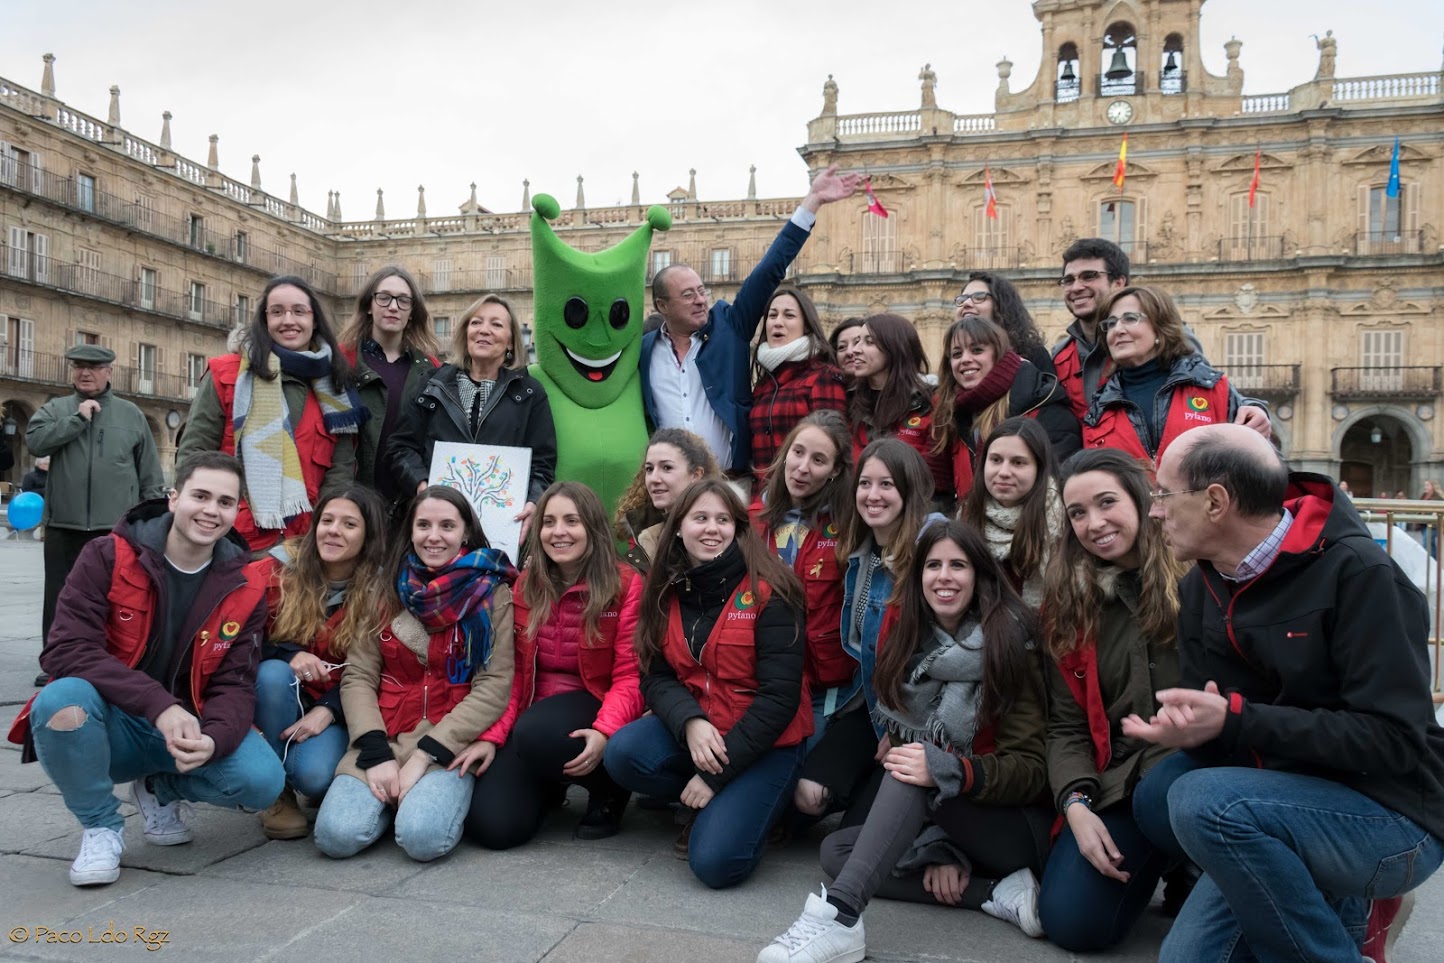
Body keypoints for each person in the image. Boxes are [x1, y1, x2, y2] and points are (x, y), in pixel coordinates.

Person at [1122, 424, 1444, 963]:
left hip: (1391, 814)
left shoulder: (1362, 575)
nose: (1153, 511)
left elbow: (1394, 742)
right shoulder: (1198, 584)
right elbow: (1229, 734)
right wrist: (1196, 731)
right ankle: (1332, 902)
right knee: (1160, 795)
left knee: (1199, 801)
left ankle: (1343, 927)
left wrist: (1235, 721)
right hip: (1284, 792)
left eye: (1162, 494)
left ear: (1216, 501)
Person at [761, 521, 1052, 963]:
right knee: (837, 851)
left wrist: (954, 770)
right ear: (917, 578)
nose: (944, 577)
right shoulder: (911, 644)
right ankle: (994, 893)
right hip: (948, 812)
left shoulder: (1011, 644)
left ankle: (840, 918)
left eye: (958, 565)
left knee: (915, 766)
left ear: (979, 576)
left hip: (1012, 822)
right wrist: (939, 847)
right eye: (933, 565)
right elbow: (904, 735)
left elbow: (1032, 769)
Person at [7, 451, 283, 887]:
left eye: (225, 502)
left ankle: (160, 789)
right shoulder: (108, 555)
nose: (211, 511)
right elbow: (66, 649)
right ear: (174, 498)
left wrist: (213, 738)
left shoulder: (245, 582)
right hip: (112, 720)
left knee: (263, 781)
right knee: (60, 701)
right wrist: (158, 705)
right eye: (201, 495)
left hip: (186, 727)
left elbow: (236, 682)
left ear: (237, 511)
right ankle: (101, 826)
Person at [603, 478, 810, 888]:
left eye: (723, 519)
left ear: (738, 528)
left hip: (768, 742)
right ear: (678, 526)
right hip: (705, 730)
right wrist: (690, 722)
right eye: (700, 518)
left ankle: (764, 806)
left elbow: (779, 699)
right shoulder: (664, 589)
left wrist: (716, 775)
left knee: (716, 865)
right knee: (623, 754)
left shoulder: (772, 591)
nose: (712, 529)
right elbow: (655, 676)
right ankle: (712, 802)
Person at [1035, 448, 1187, 951]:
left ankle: (1198, 865)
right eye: (1077, 513)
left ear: (1143, 500)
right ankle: (1167, 859)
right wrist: (1077, 804)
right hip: (1121, 780)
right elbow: (1067, 725)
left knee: (1165, 795)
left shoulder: (1196, 574)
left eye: (1106, 503)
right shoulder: (1072, 600)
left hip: (1199, 767)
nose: (1093, 523)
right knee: (1073, 923)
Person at [313, 486, 515, 862]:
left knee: (423, 840)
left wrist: (425, 756)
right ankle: (393, 801)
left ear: (465, 532)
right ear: (410, 531)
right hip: (385, 732)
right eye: (423, 525)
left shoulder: (491, 593)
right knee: (334, 838)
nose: (433, 536)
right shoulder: (384, 588)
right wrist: (375, 754)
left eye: (446, 526)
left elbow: (493, 684)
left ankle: (411, 806)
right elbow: (358, 675)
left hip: (447, 739)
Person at [641, 166, 860, 474]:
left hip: (731, 482)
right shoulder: (645, 350)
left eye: (702, 291)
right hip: (671, 488)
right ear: (662, 305)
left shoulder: (729, 328)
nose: (701, 299)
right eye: (688, 295)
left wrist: (812, 202)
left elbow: (769, 270)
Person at [463, 482, 643, 848]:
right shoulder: (527, 584)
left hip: (593, 703)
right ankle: (549, 782)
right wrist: (492, 738)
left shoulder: (625, 584)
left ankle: (609, 788)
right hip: (533, 716)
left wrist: (606, 732)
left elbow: (630, 675)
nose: (558, 532)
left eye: (571, 521)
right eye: (549, 522)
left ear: (592, 527)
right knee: (494, 829)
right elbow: (510, 673)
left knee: (537, 731)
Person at [793, 438, 946, 827]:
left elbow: (946, 655)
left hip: (920, 717)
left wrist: (900, 726)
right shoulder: (861, 551)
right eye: (865, 483)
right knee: (808, 796)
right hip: (870, 706)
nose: (872, 495)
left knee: (853, 838)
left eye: (887, 485)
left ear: (909, 490)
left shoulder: (934, 552)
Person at [179, 276, 363, 554]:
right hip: (230, 543)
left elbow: (340, 475)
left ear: (315, 320)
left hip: (303, 548)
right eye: (277, 312)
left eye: (299, 311)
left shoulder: (336, 387)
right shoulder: (227, 374)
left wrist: (320, 536)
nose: (288, 320)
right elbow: (194, 455)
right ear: (264, 321)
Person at [252, 484, 389, 840]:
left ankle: (301, 775)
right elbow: (238, 642)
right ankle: (274, 792)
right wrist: (288, 653)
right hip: (273, 700)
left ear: (368, 535)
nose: (333, 530)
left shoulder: (382, 589)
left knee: (315, 776)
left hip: (337, 704)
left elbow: (383, 670)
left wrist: (329, 709)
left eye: (349, 524)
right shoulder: (275, 571)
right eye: (327, 520)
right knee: (272, 674)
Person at [26, 344, 166, 687]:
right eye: (78, 366)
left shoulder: (131, 414)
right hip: (64, 525)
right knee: (59, 596)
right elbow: (36, 444)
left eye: (93, 367)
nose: (84, 373)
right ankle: (57, 661)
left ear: (109, 372)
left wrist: (154, 520)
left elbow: (149, 471)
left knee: (118, 596)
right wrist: (77, 419)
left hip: (114, 528)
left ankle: (115, 657)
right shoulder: (55, 409)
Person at [1050, 238, 1270, 437]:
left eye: (1089, 276)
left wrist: (1251, 406)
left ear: (1119, 283)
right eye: (1068, 280)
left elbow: (1201, 385)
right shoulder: (1061, 355)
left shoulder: (1166, 335)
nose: (1077, 287)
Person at [387, 293, 556, 538]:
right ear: (465, 333)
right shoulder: (430, 385)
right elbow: (401, 446)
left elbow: (542, 462)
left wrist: (533, 501)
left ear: (511, 342)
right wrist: (422, 485)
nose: (484, 330)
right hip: (436, 524)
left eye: (496, 325)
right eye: (476, 322)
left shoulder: (530, 393)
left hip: (503, 527)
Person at [753, 411, 854, 736]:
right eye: (798, 452)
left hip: (821, 684)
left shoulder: (851, 525)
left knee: (805, 782)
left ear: (835, 471)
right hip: (756, 678)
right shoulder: (751, 519)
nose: (803, 467)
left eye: (819, 460)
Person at [1082, 285, 1236, 467]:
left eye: (1130, 319)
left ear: (1160, 327)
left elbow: (1256, 466)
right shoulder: (1099, 411)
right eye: (1111, 323)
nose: (1117, 330)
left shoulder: (1211, 388)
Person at [931, 315, 1078, 500]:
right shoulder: (953, 414)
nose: (965, 360)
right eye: (956, 354)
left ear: (998, 355)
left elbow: (1057, 489)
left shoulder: (1044, 408)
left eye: (977, 350)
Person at [340, 266, 442, 511]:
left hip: (410, 503)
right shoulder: (342, 360)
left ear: (412, 312)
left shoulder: (431, 369)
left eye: (403, 300)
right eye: (384, 297)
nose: (393, 306)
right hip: (354, 500)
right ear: (368, 305)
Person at [749, 287, 847, 488]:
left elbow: (835, 444)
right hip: (764, 499)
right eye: (772, 315)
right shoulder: (765, 383)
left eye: (789, 315)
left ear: (807, 325)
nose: (778, 322)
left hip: (809, 502)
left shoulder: (823, 376)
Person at [959, 418, 1063, 607]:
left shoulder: (1062, 520)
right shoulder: (966, 515)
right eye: (996, 460)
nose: (1004, 472)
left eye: (1018, 462)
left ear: (1039, 469)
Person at [846, 314, 948, 493]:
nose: (855, 349)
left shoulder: (930, 404)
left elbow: (936, 484)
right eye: (857, 341)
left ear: (895, 348)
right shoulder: (849, 403)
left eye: (869, 342)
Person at [613, 428, 721, 574]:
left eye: (667, 468)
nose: (654, 479)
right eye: (649, 469)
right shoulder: (642, 528)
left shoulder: (723, 527)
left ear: (696, 475)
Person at [953, 271, 1053, 374]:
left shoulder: (1033, 354)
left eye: (979, 297)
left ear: (1001, 306)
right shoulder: (955, 359)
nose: (966, 303)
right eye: (962, 299)